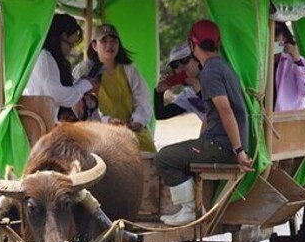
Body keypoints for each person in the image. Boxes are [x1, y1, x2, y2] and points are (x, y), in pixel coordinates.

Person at [154, 19, 253, 225]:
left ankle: (190, 209)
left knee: (164, 157)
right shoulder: (223, 66)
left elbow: (225, 111)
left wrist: (239, 152)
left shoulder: (209, 72)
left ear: (192, 45)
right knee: (180, 153)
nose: (180, 68)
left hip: (220, 146)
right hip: (221, 143)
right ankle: (193, 206)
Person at [74, 23, 156, 151]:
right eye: (104, 41)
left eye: (113, 41)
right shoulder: (85, 72)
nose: (109, 45)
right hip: (99, 130)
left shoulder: (129, 70)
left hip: (131, 128)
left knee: (147, 150)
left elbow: (142, 98)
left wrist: (138, 121)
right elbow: (84, 107)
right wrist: (107, 121)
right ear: (94, 45)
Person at [23, 13, 97, 123]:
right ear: (62, 37)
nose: (71, 49)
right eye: (70, 44)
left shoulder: (42, 56)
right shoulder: (45, 58)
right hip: (42, 126)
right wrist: (84, 85)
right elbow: (57, 95)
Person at [273, 22, 305, 111]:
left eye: (276, 31)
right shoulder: (258, 61)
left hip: (289, 118)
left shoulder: (293, 61)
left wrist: (297, 60)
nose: (272, 36)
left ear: (284, 37)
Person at [154, 43, 207, 122]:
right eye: (174, 65)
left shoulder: (215, 79)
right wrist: (159, 93)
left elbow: (223, 110)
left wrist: (199, 91)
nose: (180, 67)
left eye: (184, 60)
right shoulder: (188, 95)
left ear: (198, 59)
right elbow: (160, 115)